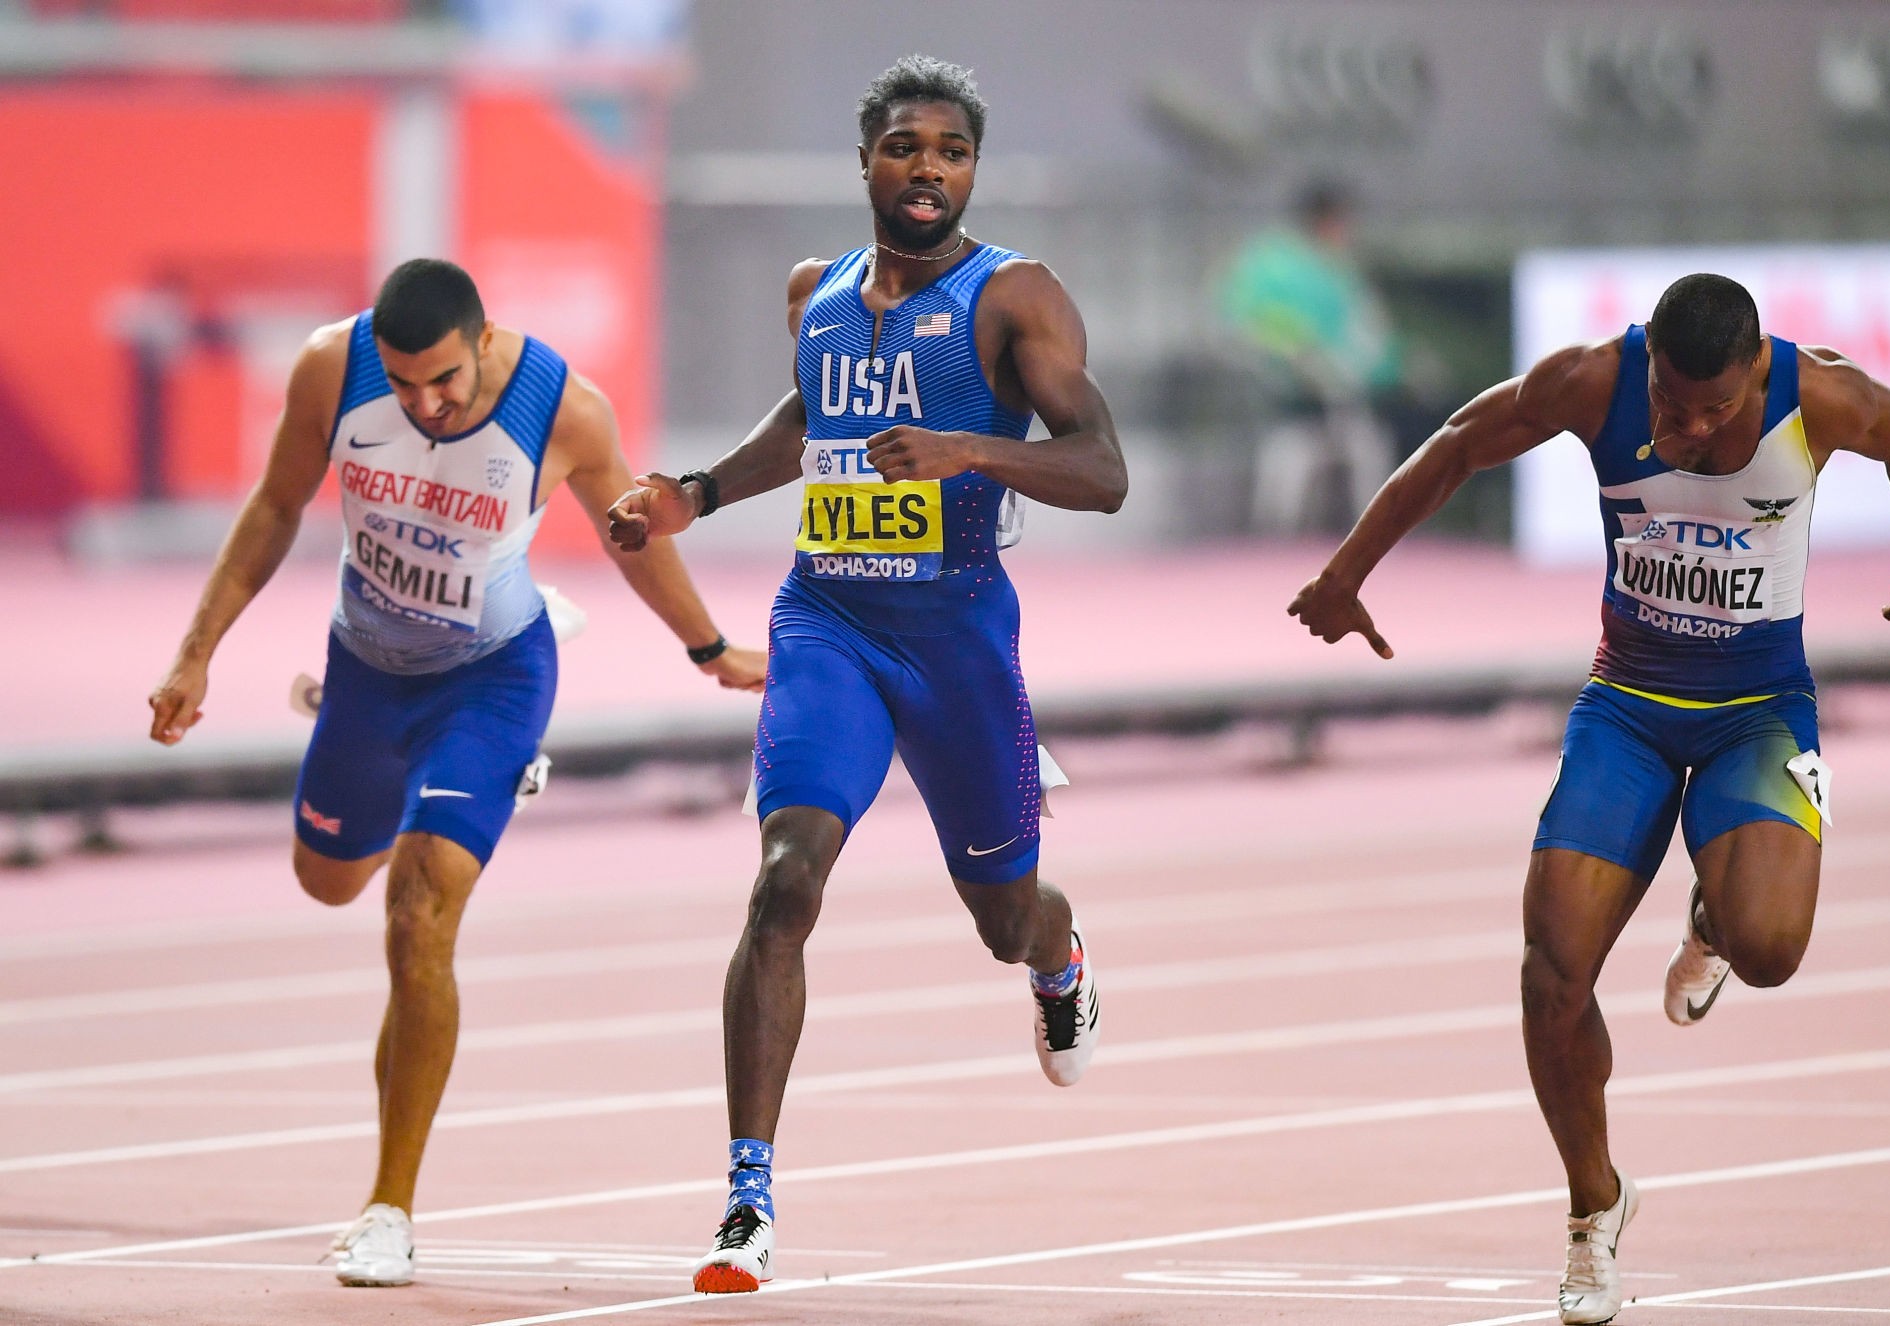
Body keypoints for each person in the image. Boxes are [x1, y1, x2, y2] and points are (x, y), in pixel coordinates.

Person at [1286, 273, 1890, 1325]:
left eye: (1714, 410)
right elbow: (1460, 441)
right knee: (1549, 971)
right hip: (1627, 708)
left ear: (1752, 372)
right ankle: (1592, 1208)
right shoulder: (1591, 383)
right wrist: (1346, 573)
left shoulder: (1816, 399)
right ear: (1648, 362)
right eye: (1672, 406)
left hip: (1756, 713)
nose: (1690, 430)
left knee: (1770, 951)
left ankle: (1714, 915)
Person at [607, 54, 1127, 1294]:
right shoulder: (819, 293)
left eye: (949, 151)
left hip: (953, 641)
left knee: (1002, 920)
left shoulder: (1016, 299)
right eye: (905, 147)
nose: (927, 170)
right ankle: (746, 1200)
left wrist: (963, 451)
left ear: (970, 172)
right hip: (825, 625)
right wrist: (695, 492)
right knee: (784, 882)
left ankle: (1058, 959)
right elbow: (804, 424)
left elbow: (1101, 467)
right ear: (865, 161)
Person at [146, 258, 765, 1288]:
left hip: (492, 677)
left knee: (417, 909)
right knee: (328, 879)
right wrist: (195, 650)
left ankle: (387, 1209)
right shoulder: (326, 373)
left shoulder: (561, 408)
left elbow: (630, 538)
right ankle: (424, 776)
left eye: (443, 380)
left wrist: (707, 649)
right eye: (404, 384)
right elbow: (273, 506)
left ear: (483, 340)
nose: (426, 403)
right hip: (365, 670)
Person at [1218, 179, 1402, 533]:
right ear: (1326, 220)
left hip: (1343, 393)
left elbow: (1369, 336)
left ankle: (1376, 531)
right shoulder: (1272, 263)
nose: (1347, 231)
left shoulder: (1341, 270)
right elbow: (1245, 323)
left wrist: (1381, 367)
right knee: (1291, 459)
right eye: (1342, 221)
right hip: (1290, 394)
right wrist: (1296, 357)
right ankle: (1277, 536)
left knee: (1367, 449)